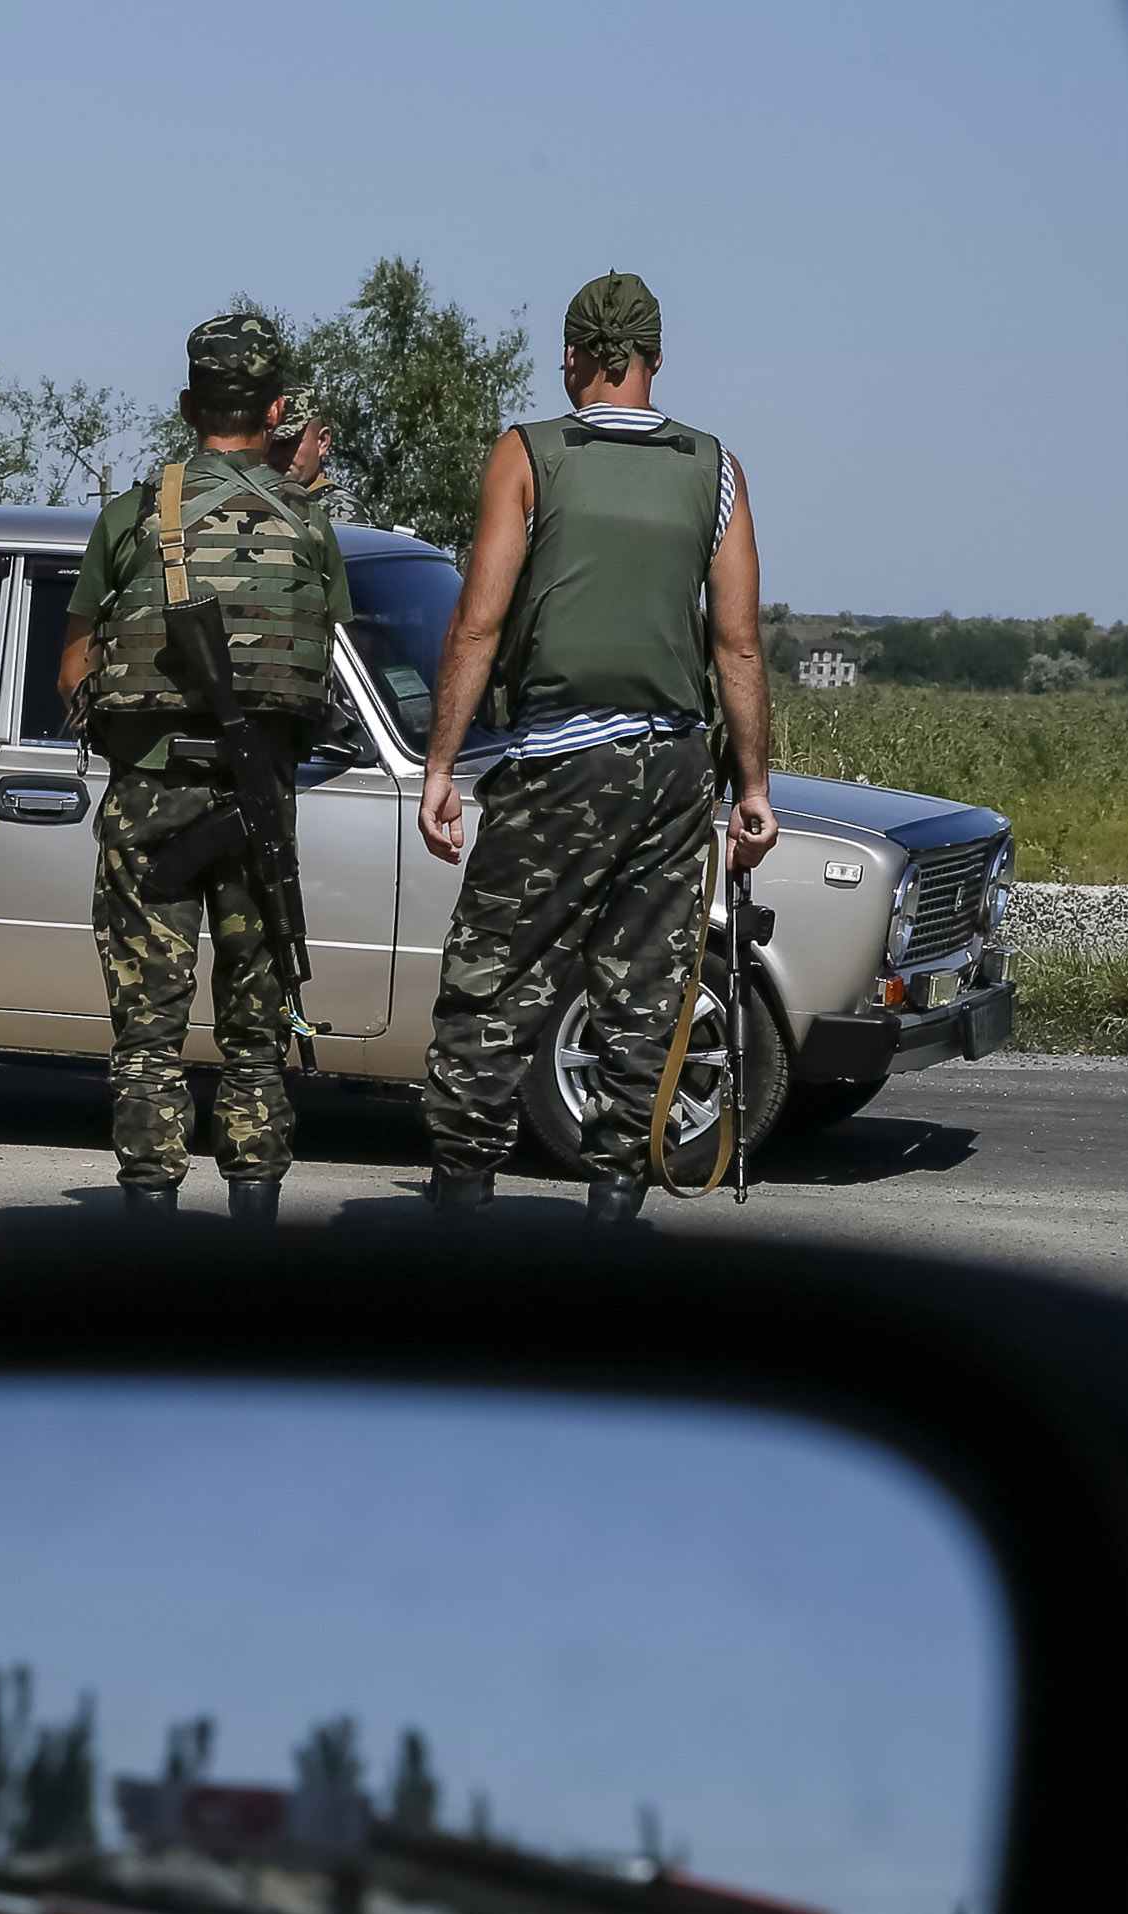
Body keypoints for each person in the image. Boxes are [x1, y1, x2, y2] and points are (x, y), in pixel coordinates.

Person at [415, 271, 778, 1221]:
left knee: (491, 983)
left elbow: (478, 622)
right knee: (644, 991)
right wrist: (753, 788)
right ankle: (613, 1211)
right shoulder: (717, 467)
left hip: (560, 761)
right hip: (672, 767)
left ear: (578, 356)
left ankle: (460, 1205)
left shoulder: (529, 453)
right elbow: (736, 642)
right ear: (653, 360)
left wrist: (442, 766)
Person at [58, 314, 350, 1226]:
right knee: (256, 1037)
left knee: (148, 1035)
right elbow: (320, 663)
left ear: (188, 406)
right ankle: (252, 1234)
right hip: (259, 799)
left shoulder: (134, 516)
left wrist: (114, 723)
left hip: (150, 796)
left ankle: (150, 1230)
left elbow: (73, 668)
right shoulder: (309, 525)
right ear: (275, 410)